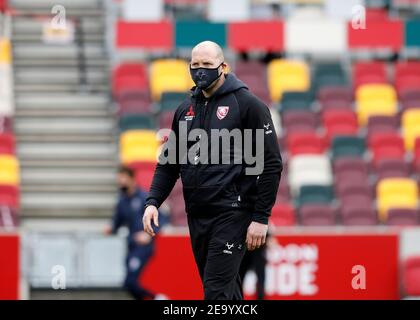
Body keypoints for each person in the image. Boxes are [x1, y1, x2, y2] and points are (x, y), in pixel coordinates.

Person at [143, 41, 283, 300]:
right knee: (227, 294)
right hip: (197, 214)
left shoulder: (248, 105)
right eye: (195, 65)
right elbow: (169, 163)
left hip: (233, 214)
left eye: (207, 64)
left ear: (223, 67)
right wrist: (152, 201)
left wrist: (261, 218)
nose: (200, 71)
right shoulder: (185, 110)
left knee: (216, 293)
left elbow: (272, 164)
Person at [105, 166, 164, 300]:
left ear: (132, 179)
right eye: (119, 180)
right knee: (130, 283)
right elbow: (117, 221)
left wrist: (149, 234)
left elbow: (161, 218)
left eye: (123, 179)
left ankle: (158, 298)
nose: (121, 183)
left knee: (130, 281)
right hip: (131, 246)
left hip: (142, 248)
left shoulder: (145, 198)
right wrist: (111, 227)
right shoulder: (122, 201)